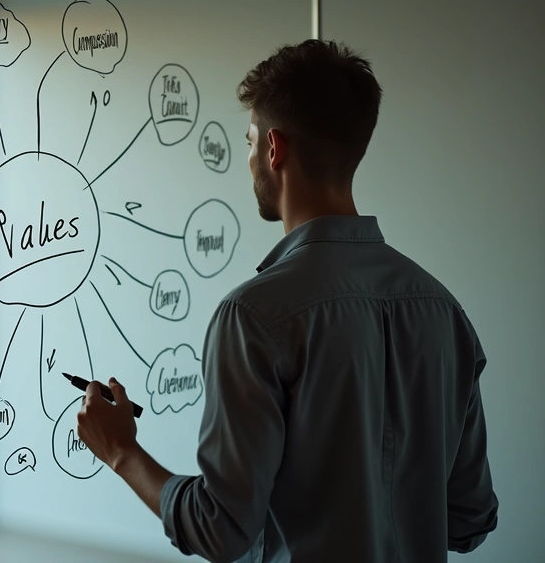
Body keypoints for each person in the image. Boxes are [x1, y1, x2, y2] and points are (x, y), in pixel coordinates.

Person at [75, 39, 498, 562]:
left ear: (273, 148)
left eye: (250, 140)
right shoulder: (444, 310)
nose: (249, 157)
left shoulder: (253, 316)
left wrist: (120, 450)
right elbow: (469, 520)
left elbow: (219, 532)